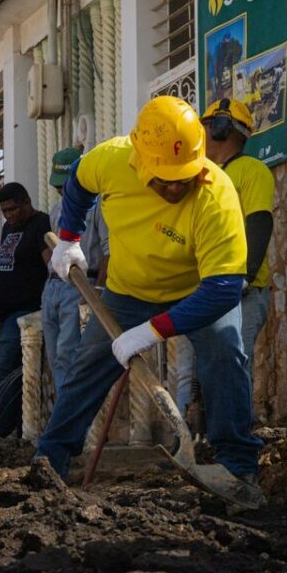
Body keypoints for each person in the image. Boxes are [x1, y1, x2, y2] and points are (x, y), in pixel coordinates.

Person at [36, 95, 262, 480]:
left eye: (183, 178)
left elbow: (224, 289)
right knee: (87, 367)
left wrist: (151, 331)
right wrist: (69, 238)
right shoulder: (112, 160)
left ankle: (238, 466)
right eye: (164, 180)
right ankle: (49, 460)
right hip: (128, 291)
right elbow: (77, 182)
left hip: (197, 293)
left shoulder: (216, 195)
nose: (175, 189)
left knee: (225, 354)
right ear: (139, 161)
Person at [170, 98, 275, 413]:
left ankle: (233, 432)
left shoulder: (251, 170)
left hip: (240, 291)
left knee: (232, 364)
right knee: (188, 371)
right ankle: (186, 433)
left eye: (204, 125)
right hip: (199, 290)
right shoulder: (201, 178)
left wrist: (244, 277)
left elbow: (259, 222)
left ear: (220, 128)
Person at [42, 147, 110, 391]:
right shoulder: (56, 209)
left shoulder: (99, 205)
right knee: (54, 356)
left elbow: (108, 252)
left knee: (69, 354)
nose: (61, 190)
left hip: (81, 283)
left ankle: (72, 411)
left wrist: (97, 290)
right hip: (53, 285)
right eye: (58, 186)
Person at [0, 182, 52, 436]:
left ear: (26, 202)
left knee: (3, 368)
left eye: (13, 209)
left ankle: (1, 431)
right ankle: (16, 427)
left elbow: (51, 265)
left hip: (27, 311)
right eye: (4, 211)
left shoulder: (41, 224)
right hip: (7, 314)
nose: (9, 215)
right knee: (14, 372)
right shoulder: (8, 228)